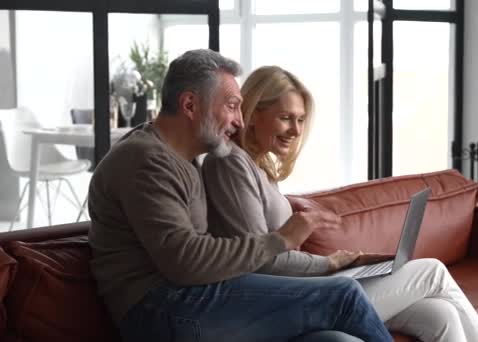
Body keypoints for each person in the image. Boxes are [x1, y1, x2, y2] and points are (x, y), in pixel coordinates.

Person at [87, 50, 392, 342]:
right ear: (190, 105)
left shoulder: (185, 159)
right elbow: (184, 261)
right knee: (344, 296)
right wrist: (281, 240)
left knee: (331, 340)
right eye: (232, 106)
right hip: (159, 309)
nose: (240, 121)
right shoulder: (146, 160)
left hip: (187, 299)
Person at [203, 65, 478, 342]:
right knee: (432, 271)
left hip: (306, 286)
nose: (295, 129)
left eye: (301, 120)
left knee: (440, 315)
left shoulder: (260, 168)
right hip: (288, 298)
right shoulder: (231, 164)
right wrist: (330, 264)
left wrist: (346, 263)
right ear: (254, 113)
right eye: (286, 117)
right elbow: (261, 260)